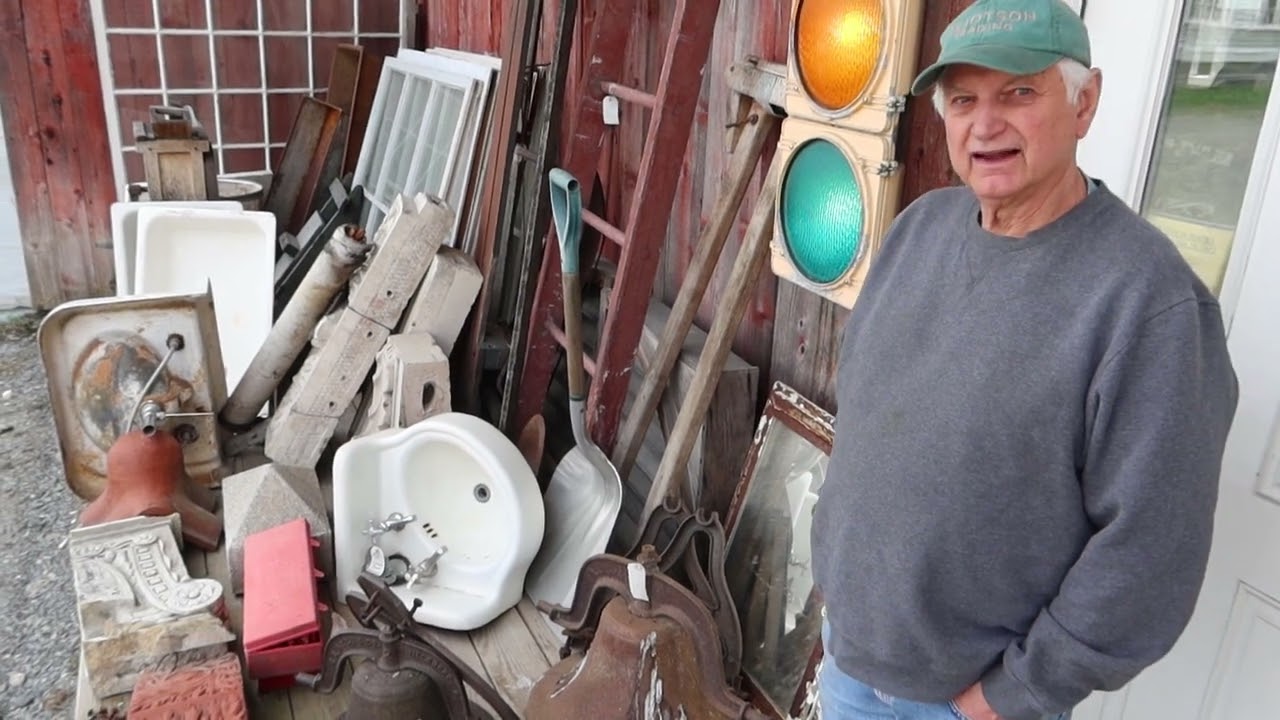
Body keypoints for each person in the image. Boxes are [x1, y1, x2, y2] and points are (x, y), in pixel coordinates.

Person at [809, 0, 1240, 719]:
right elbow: (866, 417)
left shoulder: (1148, 301)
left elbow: (1151, 551)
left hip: (965, 705)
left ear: (1085, 102)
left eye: (1018, 92)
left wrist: (1013, 695)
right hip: (850, 662)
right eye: (964, 99)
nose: (986, 124)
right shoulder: (920, 229)